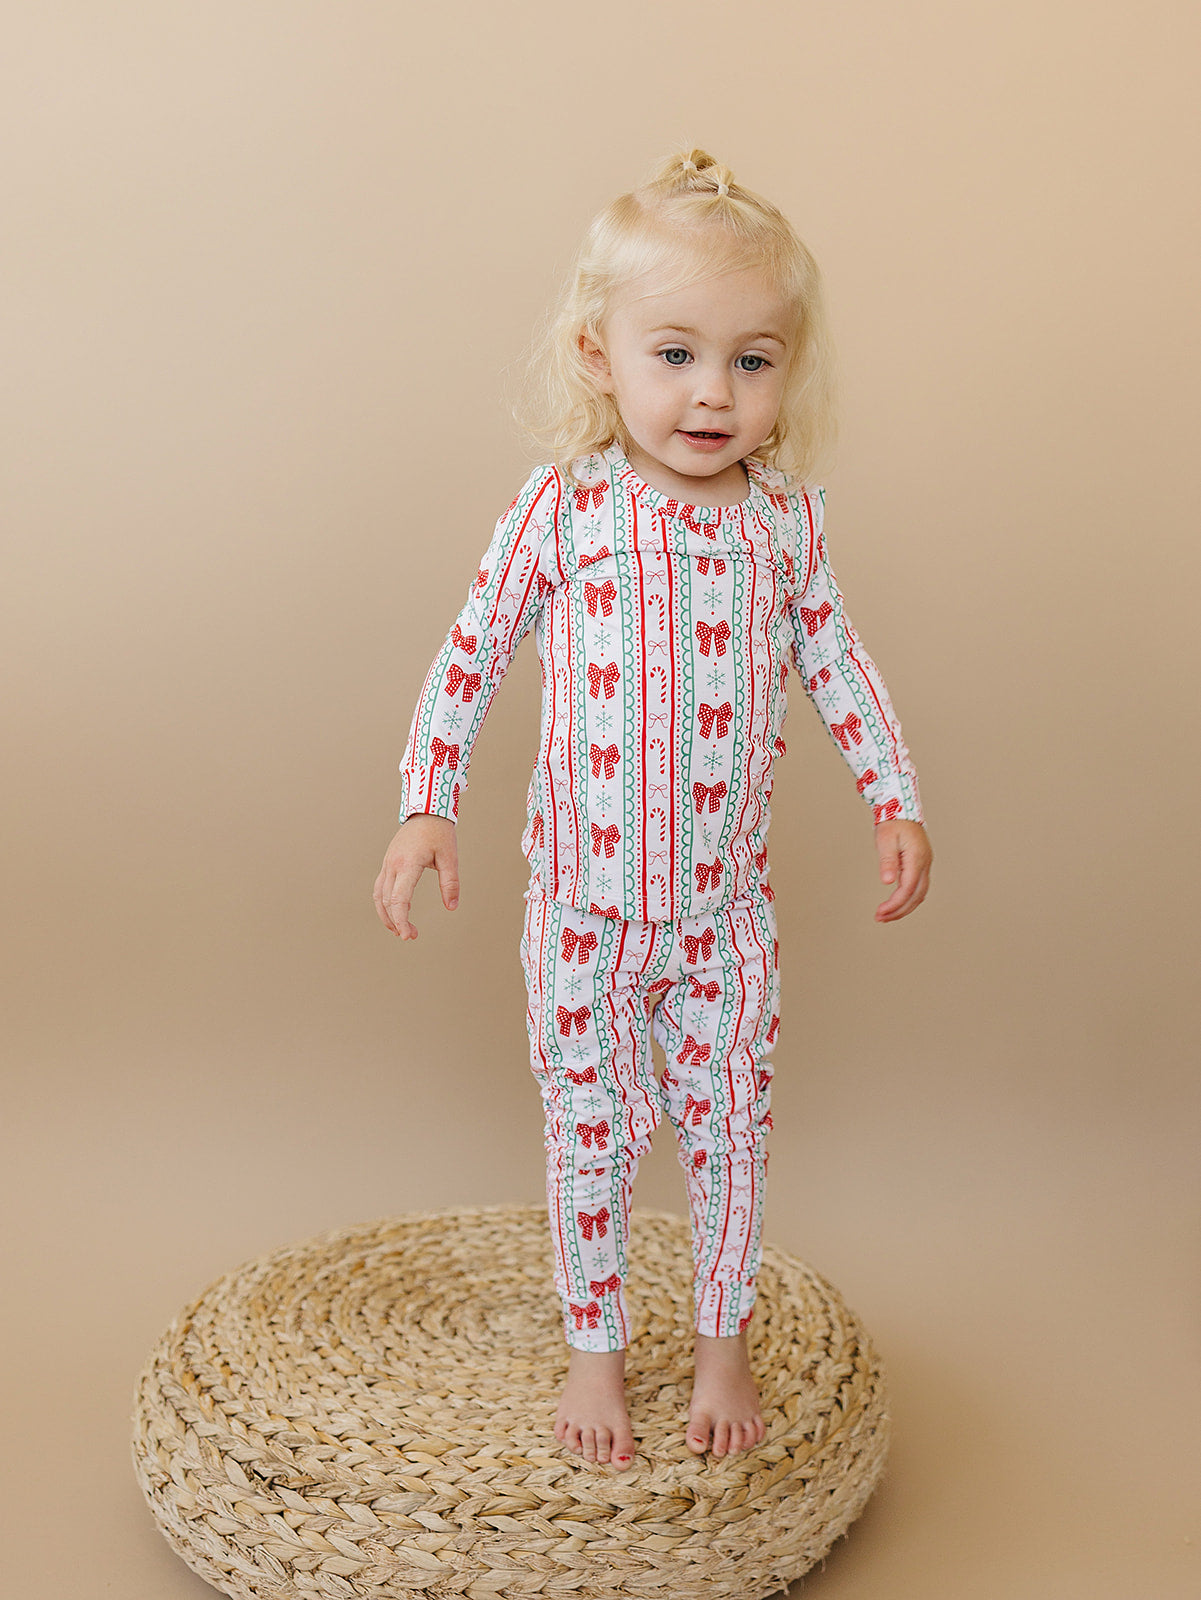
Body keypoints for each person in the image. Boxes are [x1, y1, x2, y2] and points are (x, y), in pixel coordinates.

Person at [373, 149, 932, 1471]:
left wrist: (892, 794)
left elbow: (835, 659)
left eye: (751, 360)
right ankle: (597, 1353)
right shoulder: (565, 508)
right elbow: (471, 652)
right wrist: (426, 803)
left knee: (731, 1133)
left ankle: (724, 1345)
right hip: (584, 914)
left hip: (725, 919)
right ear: (598, 355)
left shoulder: (782, 525)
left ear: (787, 372)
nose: (711, 392)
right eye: (674, 354)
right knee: (592, 1135)